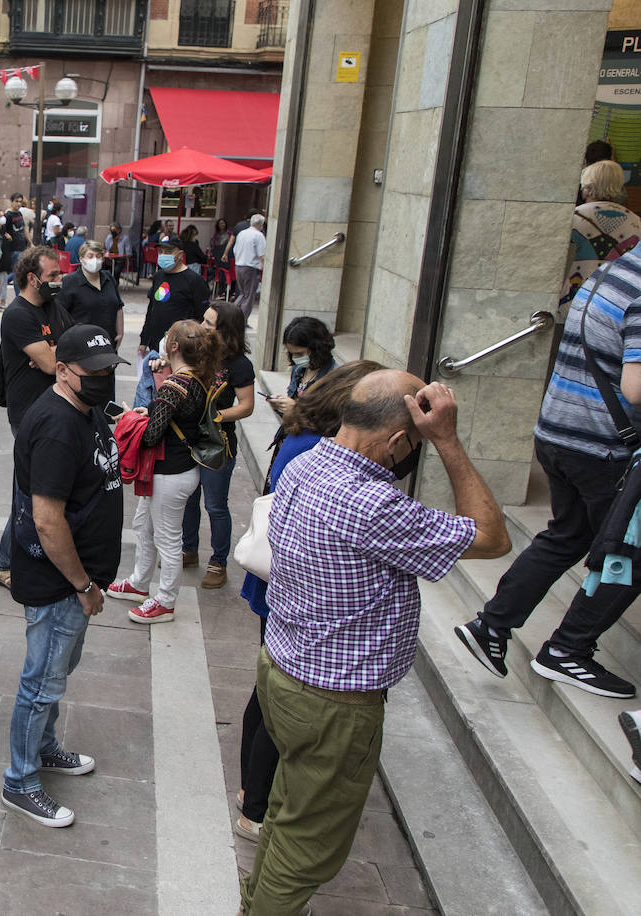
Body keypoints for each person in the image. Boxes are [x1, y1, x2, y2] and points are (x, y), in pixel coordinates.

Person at [240, 371, 509, 914]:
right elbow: (492, 537)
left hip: (284, 669)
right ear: (396, 441)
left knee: (289, 814)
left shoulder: (307, 459)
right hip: (331, 703)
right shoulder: (372, 506)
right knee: (306, 847)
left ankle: (255, 903)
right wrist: (448, 441)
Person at [455, 248, 641, 695]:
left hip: (560, 433)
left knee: (568, 535)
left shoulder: (617, 269)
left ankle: (491, 626)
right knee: (627, 558)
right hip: (602, 446)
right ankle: (568, 651)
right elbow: (636, 388)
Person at [233, 360, 384, 846]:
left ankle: (251, 796)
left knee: (266, 695)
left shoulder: (301, 434)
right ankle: (256, 805)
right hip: (291, 584)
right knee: (272, 701)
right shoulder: (320, 449)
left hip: (280, 580)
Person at [2, 324, 125, 828]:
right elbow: (48, 521)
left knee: (56, 672)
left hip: (78, 582)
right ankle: (21, 781)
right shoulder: (55, 425)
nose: (103, 379)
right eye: (93, 372)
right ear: (64, 370)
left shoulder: (86, 410)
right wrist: (83, 586)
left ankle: (45, 748)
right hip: (60, 584)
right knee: (42, 681)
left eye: (108, 370)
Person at [106, 320, 219, 624]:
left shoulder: (174, 384)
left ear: (173, 347)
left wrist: (131, 418)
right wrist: (151, 412)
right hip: (177, 470)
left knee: (168, 540)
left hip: (170, 472)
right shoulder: (195, 379)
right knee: (143, 525)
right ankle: (139, 583)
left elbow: (152, 435)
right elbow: (171, 420)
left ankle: (166, 601)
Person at [0, 246, 74, 590]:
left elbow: (72, 349)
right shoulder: (18, 314)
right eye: (53, 276)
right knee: (30, 492)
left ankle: (21, 556)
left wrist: (55, 353)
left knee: (38, 489)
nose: (60, 281)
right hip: (28, 415)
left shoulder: (54, 307)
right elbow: (50, 364)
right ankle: (6, 564)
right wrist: (52, 356)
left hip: (55, 411)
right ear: (32, 278)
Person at [181, 301, 256, 589]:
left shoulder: (239, 364)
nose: (202, 326)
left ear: (224, 330)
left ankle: (218, 561)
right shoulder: (200, 353)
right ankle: (189, 550)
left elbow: (247, 406)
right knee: (188, 497)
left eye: (209, 323)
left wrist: (216, 417)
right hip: (190, 439)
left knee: (215, 505)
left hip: (218, 444)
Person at [561, 160, 641, 312]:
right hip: (615, 303)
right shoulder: (636, 222)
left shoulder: (572, 218)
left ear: (587, 188)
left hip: (573, 300)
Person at [138, 233, 211, 356]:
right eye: (161, 251)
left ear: (180, 255)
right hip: (156, 345)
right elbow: (152, 310)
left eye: (168, 251)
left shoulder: (194, 280)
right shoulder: (158, 276)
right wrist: (144, 339)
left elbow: (201, 315)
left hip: (181, 347)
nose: (163, 255)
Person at [59, 241, 124, 349]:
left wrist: (120, 332)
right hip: (82, 344)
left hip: (108, 341)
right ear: (81, 259)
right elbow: (60, 315)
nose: (95, 259)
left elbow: (118, 306)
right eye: (90, 256)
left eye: (98, 256)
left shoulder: (108, 278)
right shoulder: (69, 282)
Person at [268, 316, 336, 418]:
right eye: (292, 354)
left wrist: (298, 409)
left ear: (317, 348)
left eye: (299, 354)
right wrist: (281, 406)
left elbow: (331, 421)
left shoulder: (335, 377)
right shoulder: (299, 369)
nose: (295, 359)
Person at [233, 214, 267, 318]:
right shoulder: (259, 235)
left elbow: (235, 249)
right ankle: (241, 319)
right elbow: (262, 255)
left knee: (243, 294)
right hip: (250, 267)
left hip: (238, 265)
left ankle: (233, 315)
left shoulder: (242, 233)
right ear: (261, 224)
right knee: (248, 296)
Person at [0, 195, 30, 287]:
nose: (19, 204)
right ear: (12, 202)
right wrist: (6, 235)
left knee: (19, 271)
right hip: (13, 248)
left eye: (20, 202)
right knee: (17, 272)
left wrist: (29, 241)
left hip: (22, 246)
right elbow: (1, 230)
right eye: (17, 201)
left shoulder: (19, 214)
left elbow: (24, 228)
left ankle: (1, 283)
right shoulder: (8, 215)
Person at [209, 218, 232, 298]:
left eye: (223, 223)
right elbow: (212, 245)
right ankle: (220, 291)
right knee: (219, 273)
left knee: (225, 273)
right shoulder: (216, 235)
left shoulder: (229, 234)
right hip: (218, 256)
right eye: (220, 223)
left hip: (226, 256)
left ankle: (226, 291)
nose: (222, 225)